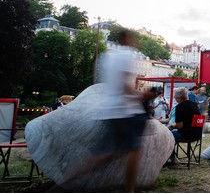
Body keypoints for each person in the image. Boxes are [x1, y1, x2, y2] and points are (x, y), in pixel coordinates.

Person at [62, 28, 155, 192]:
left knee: (102, 154)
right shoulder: (127, 55)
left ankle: (65, 181)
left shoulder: (107, 58)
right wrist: (142, 95)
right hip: (127, 111)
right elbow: (125, 84)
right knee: (135, 150)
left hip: (110, 110)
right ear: (127, 39)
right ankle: (129, 190)